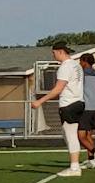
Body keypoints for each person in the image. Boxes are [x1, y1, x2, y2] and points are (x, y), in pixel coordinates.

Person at [31, 42, 89, 175]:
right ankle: (74, 165)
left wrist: (40, 101)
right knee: (67, 133)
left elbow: (58, 88)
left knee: (70, 134)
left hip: (69, 104)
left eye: (54, 52)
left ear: (60, 51)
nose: (53, 55)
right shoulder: (76, 65)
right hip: (78, 101)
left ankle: (74, 167)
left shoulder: (65, 67)